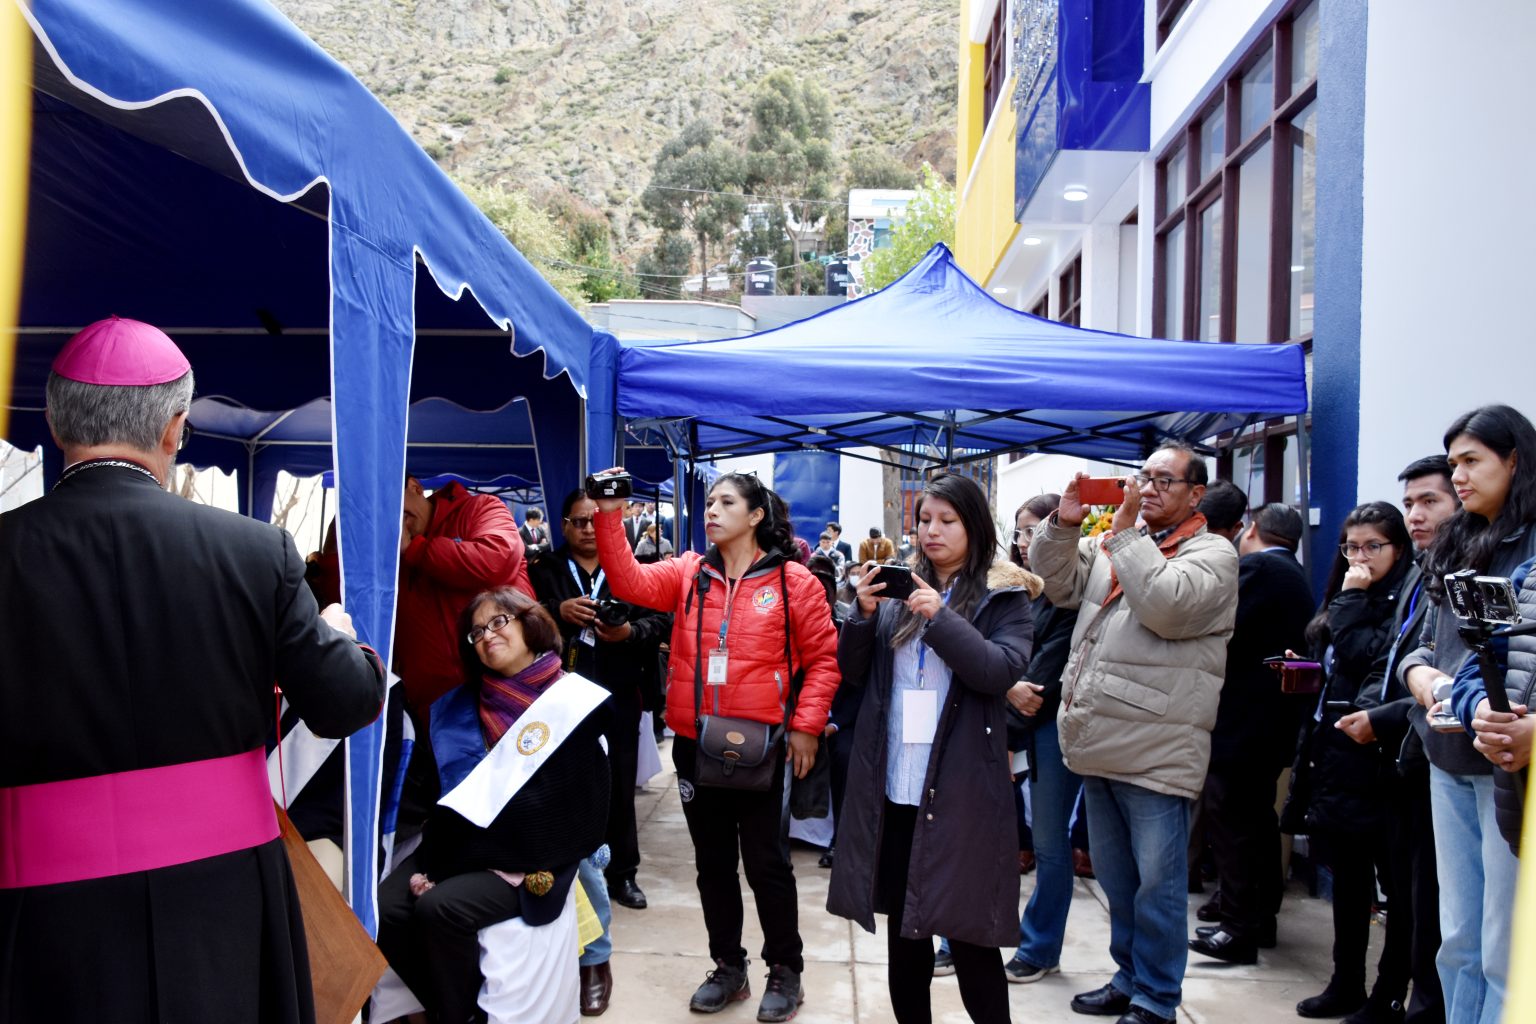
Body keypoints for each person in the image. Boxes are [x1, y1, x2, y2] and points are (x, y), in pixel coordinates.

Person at [0, 316, 386, 1024]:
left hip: (46, 909)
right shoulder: (256, 551)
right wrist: (342, 640)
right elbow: (344, 702)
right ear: (175, 428)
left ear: (54, 424)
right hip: (223, 897)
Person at [592, 469, 840, 1022]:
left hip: (764, 746)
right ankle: (729, 967)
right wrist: (610, 514)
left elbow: (824, 659)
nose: (712, 510)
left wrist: (806, 725)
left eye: (727, 502)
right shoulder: (687, 573)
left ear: (756, 515)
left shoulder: (794, 582)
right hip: (694, 744)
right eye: (709, 501)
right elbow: (627, 579)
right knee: (713, 865)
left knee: (767, 864)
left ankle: (786, 970)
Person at [1030, 443, 1238, 1024]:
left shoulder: (1213, 553)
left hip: (1157, 748)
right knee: (1118, 880)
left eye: (1165, 481)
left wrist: (1123, 536)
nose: (1148, 489)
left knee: (1158, 887)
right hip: (1100, 739)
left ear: (1196, 494)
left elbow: (1167, 606)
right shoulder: (1121, 542)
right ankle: (1128, 977)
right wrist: (1063, 525)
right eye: (1144, 477)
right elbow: (1056, 584)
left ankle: (1157, 996)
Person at [827, 473, 1036, 1024]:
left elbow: (998, 671)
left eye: (947, 521)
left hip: (962, 792)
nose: (931, 531)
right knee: (905, 934)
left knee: (970, 938)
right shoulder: (896, 589)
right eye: (924, 520)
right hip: (897, 784)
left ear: (975, 526)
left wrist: (941, 618)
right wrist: (861, 615)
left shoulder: (1004, 595)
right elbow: (853, 672)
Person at [376, 588, 611, 1024]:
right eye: (477, 632)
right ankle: (453, 1008)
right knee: (384, 909)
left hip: (535, 856)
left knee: (439, 908)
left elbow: (581, 812)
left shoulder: (571, 701)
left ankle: (457, 1015)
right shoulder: (456, 709)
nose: (487, 636)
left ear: (530, 623)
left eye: (499, 622)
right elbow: (437, 797)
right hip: (457, 847)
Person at [1400, 405, 1536, 1024]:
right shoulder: (1457, 542)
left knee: (1503, 945)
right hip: (1448, 753)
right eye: (1453, 462)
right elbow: (1424, 644)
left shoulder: (1529, 548)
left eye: (1472, 461)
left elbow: (1505, 657)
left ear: (1515, 459)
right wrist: (1422, 677)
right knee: (1457, 940)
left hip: (1508, 762)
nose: (1458, 475)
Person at [1332, 457, 1458, 1024]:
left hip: (1424, 751)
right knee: (1386, 884)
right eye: (1409, 503)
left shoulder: (1437, 575)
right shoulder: (1423, 573)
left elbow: (1385, 659)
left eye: (1429, 501)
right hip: (1384, 750)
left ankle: (1397, 998)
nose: (1416, 514)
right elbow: (1395, 662)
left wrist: (1381, 717)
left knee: (1419, 898)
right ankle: (1371, 991)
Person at [1285, 503, 1416, 1020]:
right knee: (1348, 876)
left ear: (1397, 549)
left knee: (1394, 887)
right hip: (1334, 749)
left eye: (1372, 546)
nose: (1359, 557)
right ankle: (1345, 982)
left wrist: (1352, 598)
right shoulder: (1347, 593)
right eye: (1351, 547)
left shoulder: (1399, 599)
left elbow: (1367, 657)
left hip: (1380, 759)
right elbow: (1339, 658)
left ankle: (1388, 992)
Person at [529, 490, 671, 918]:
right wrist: (557, 610)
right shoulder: (544, 569)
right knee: (561, 783)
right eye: (579, 522)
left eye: (595, 521)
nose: (589, 529)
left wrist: (628, 632)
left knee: (619, 784)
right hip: (558, 693)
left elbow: (661, 620)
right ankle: (565, 869)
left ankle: (623, 873)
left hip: (618, 690)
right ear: (563, 525)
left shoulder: (631, 567)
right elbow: (521, 615)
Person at [1187, 497, 1315, 966]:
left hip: (1245, 724)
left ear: (1253, 529)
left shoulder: (1261, 568)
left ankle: (1238, 926)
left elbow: (1219, 625)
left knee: (1234, 821)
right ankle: (1257, 919)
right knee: (1256, 821)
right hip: (1268, 723)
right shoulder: (1293, 573)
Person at [1000, 493, 1082, 984]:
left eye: (1035, 530)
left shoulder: (1071, 593)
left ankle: (1040, 946)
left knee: (1050, 842)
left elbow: (1039, 684)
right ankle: (957, 937)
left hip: (1050, 727)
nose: (1026, 541)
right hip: (1003, 721)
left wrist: (1007, 709)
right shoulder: (1010, 588)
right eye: (1021, 532)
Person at [395, 474, 533, 717]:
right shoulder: (392, 549)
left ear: (414, 487)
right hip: (434, 712)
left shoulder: (480, 508)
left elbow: (497, 559)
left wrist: (417, 549)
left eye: (394, 502)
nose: (394, 516)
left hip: (509, 694)